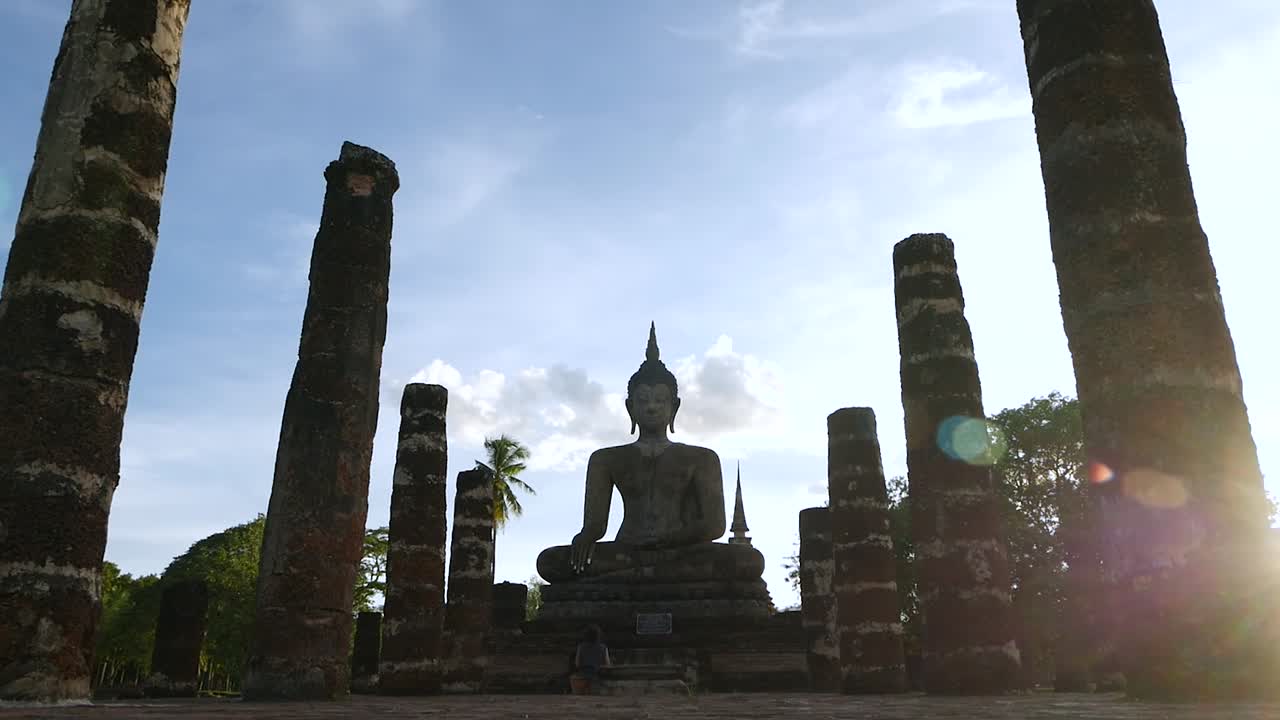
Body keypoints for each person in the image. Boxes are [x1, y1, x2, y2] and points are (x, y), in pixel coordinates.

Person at [570, 625, 611, 694]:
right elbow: (608, 665)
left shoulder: (581, 647)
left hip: (582, 677)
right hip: (598, 676)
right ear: (598, 636)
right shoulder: (604, 647)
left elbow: (577, 664)